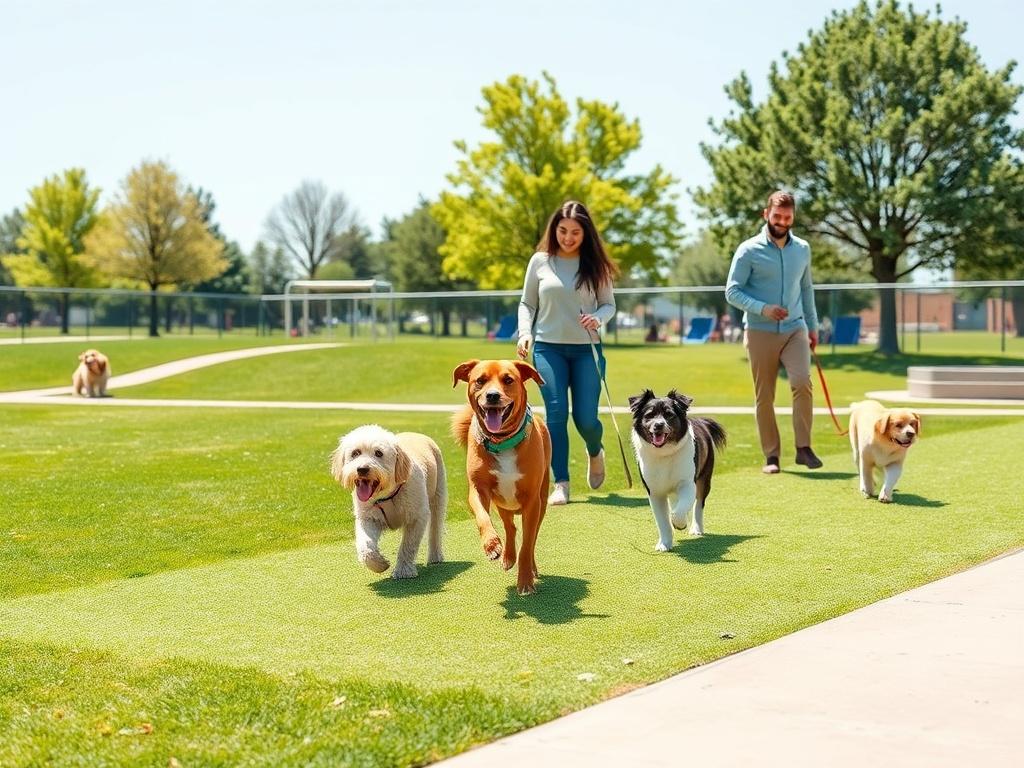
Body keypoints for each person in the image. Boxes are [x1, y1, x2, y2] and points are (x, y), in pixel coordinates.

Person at [517, 200, 618, 505]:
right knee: (556, 414)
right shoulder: (540, 261)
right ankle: (561, 482)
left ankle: (594, 449)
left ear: (586, 234)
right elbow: (527, 303)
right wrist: (525, 334)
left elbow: (609, 304)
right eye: (563, 230)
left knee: (586, 419)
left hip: (587, 349)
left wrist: (598, 317)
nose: (568, 237)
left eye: (575, 232)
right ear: (554, 229)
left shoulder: (596, 266)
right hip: (548, 349)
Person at [726, 190, 821, 474]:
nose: (782, 221)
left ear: (793, 217)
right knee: (764, 395)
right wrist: (762, 308)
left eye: (788, 217)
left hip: (795, 328)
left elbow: (806, 289)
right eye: (777, 216)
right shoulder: (748, 250)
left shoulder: (802, 249)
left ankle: (803, 448)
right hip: (759, 330)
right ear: (766, 214)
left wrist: (813, 327)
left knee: (802, 382)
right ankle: (772, 456)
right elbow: (732, 290)